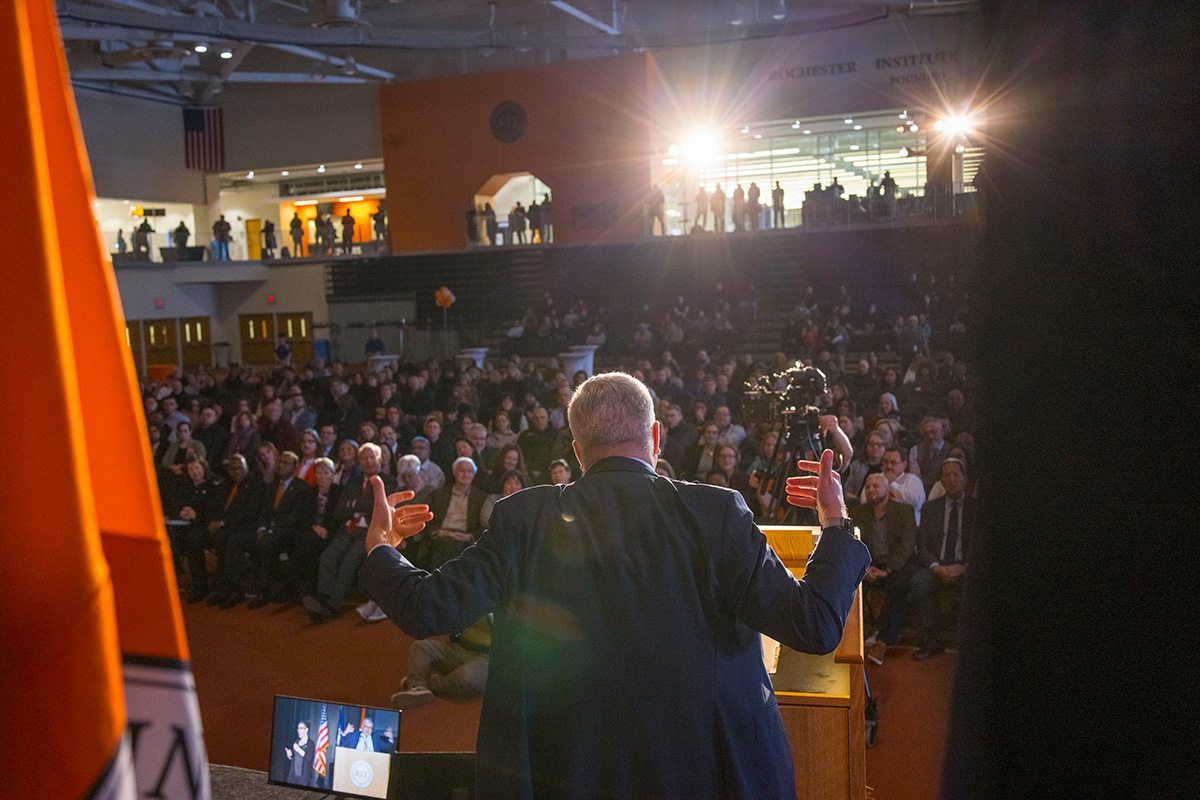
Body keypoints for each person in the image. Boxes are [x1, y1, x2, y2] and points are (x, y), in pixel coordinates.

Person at [360, 372, 869, 799]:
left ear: (578, 451)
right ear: (655, 440)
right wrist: (836, 523)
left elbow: (426, 608)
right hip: (706, 774)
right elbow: (815, 624)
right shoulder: (717, 512)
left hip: (567, 774)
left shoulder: (523, 518)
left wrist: (381, 545)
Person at [910, 457, 975, 661]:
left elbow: (979, 545)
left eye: (956, 474)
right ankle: (932, 639)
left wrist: (965, 567)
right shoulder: (930, 508)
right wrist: (935, 566)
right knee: (918, 583)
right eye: (947, 475)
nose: (952, 479)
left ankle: (970, 642)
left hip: (965, 566)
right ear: (941, 481)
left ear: (965, 479)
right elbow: (923, 545)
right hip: (937, 564)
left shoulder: (977, 509)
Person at [850, 473, 918, 665]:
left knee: (897, 585)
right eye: (868, 487)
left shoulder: (904, 511)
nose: (871, 490)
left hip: (897, 565)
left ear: (887, 490)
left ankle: (882, 641)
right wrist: (866, 567)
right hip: (869, 564)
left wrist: (887, 570)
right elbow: (854, 544)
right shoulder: (858, 513)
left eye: (876, 486)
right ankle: (854, 635)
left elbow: (907, 545)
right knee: (849, 581)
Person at [391, 614, 492, 710]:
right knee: (421, 647)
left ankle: (431, 683)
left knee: (465, 676)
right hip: (460, 649)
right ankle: (417, 686)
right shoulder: (468, 601)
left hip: (489, 660)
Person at [283, 720, 317, 786]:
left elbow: (309, 758)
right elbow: (293, 757)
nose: (299, 730)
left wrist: (298, 749)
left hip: (303, 778)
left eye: (301, 728)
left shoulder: (310, 743)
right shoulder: (297, 741)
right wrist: (289, 755)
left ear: (306, 730)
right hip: (293, 777)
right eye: (298, 728)